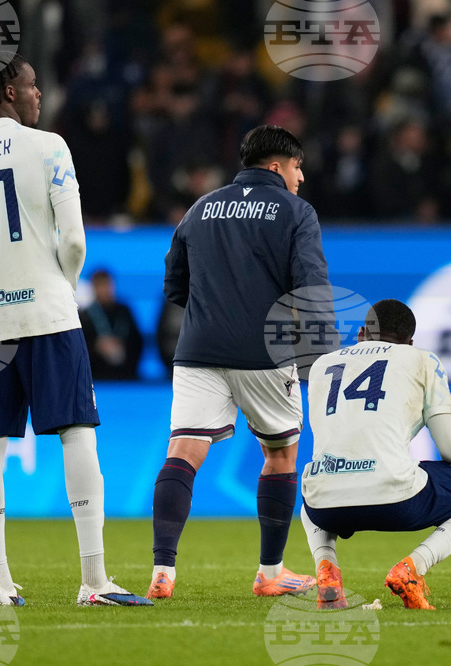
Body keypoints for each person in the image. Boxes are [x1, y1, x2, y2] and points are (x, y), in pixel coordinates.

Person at [0, 52, 150, 608]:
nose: (39, 94)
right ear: (9, 90)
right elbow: (73, 241)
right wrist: (61, 285)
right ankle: (94, 580)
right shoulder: (49, 146)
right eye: (31, 85)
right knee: (77, 433)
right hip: (48, 313)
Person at [149, 125, 331, 600]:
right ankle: (270, 572)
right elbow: (311, 288)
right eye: (297, 167)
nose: (301, 177)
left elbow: (174, 285)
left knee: (182, 452)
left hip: (198, 349)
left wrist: (215, 309)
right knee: (281, 454)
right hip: (264, 352)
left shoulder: (201, 207)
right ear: (276, 166)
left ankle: (162, 571)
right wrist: (322, 358)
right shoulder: (295, 211)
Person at [301, 299, 451, 610]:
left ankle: (326, 569)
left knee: (315, 480)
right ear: (410, 342)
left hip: (324, 508)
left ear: (361, 333)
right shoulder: (421, 358)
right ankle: (413, 567)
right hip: (395, 501)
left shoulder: (321, 365)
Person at [80, 269, 143, 380]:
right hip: (96, 375)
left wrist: (122, 346)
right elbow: (80, 348)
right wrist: (97, 346)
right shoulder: (85, 316)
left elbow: (137, 341)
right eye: (99, 286)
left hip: (126, 374)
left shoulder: (124, 311)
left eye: (106, 285)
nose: (103, 290)